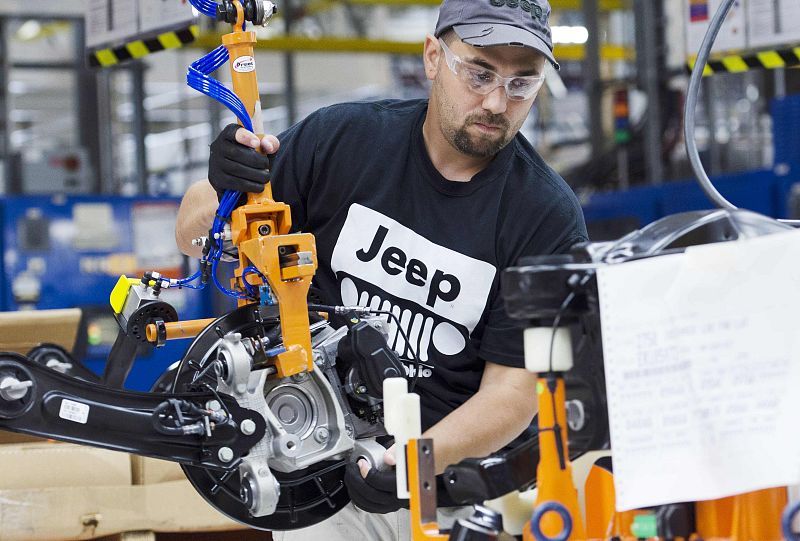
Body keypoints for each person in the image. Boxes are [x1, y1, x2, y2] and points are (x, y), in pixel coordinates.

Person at [175, 0, 588, 538]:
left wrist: (415, 460)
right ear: (434, 56)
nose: (495, 101)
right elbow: (189, 233)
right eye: (480, 72)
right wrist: (228, 188)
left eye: (521, 84)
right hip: (319, 477)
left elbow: (511, 394)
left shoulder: (546, 216)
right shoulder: (340, 142)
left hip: (447, 489)